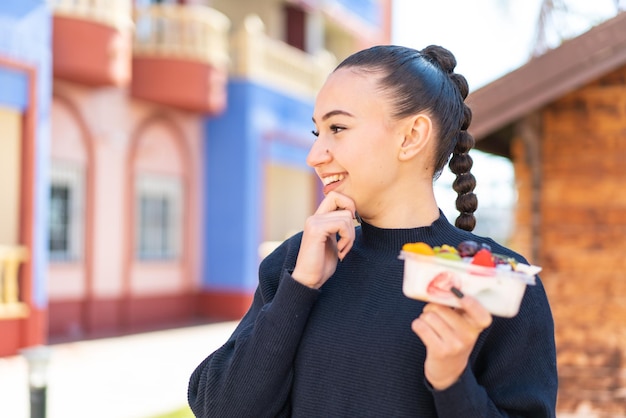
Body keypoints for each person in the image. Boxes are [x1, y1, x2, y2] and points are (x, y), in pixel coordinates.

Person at [188, 44, 558, 417]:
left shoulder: (498, 285)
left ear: (411, 136)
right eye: (318, 131)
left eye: (337, 128)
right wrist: (299, 289)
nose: (314, 155)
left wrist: (452, 381)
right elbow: (220, 409)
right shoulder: (300, 261)